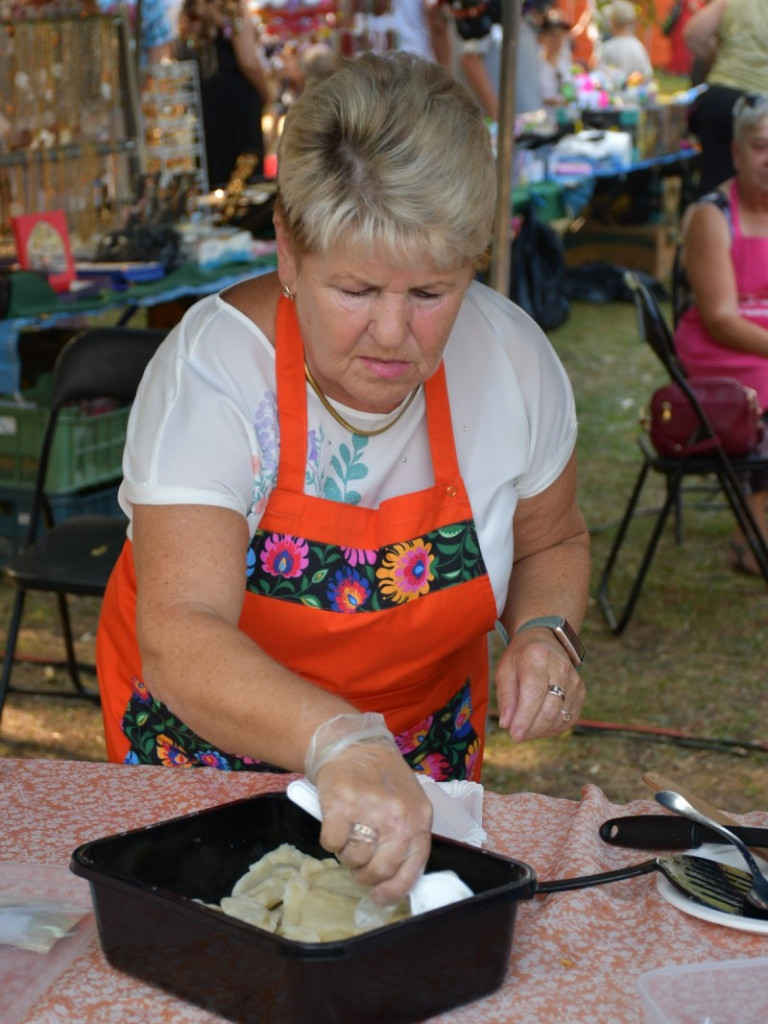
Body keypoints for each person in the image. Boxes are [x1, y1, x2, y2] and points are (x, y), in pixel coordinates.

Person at [96, 52, 590, 905]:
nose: (394, 333)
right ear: (289, 249)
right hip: (206, 749)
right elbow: (180, 631)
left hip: (420, 758)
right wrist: (337, 741)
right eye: (356, 289)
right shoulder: (215, 374)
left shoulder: (513, 363)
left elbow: (553, 537)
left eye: (432, 291)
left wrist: (548, 630)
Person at [674, 93, 768, 576]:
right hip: (719, 347)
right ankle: (750, 535)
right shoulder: (713, 215)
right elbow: (721, 318)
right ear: (735, 152)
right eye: (759, 146)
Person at [177, 0, 272, 188]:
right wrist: (268, 95)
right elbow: (249, 62)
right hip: (237, 101)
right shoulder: (232, 6)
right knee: (244, 179)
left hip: (207, 99)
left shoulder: (192, 8)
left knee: (215, 172)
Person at [684, 0, 768, 196]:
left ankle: (708, 222)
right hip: (763, 104)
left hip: (722, 97)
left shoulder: (730, 2)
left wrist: (718, 59)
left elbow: (694, 34)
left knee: (714, 182)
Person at [597, 0, 653, 80]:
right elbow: (647, 75)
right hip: (636, 91)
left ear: (613, 22)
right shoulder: (638, 46)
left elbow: (600, 76)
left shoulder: (608, 48)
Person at [539, 8, 575, 105]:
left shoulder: (564, 64)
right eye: (553, 35)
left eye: (561, 36)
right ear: (542, 37)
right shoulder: (537, 66)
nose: (557, 41)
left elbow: (570, 92)